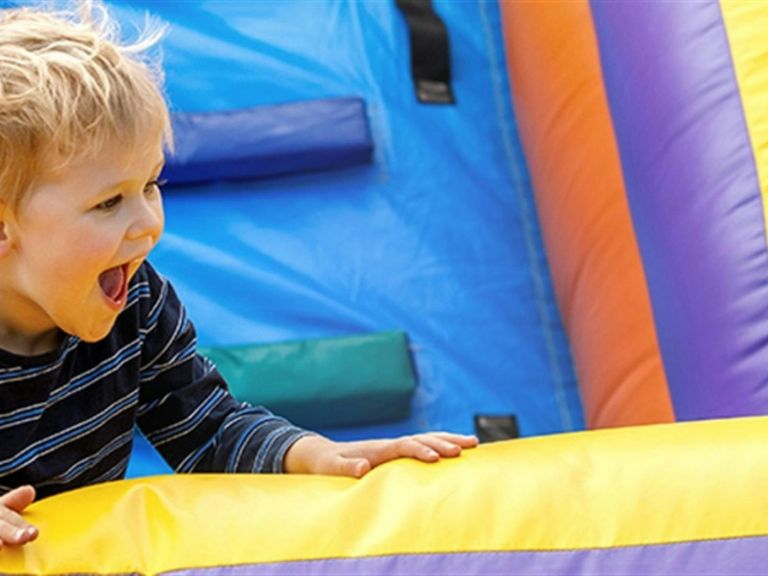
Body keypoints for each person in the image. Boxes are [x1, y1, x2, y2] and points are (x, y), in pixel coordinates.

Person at [0, 1, 478, 549]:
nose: (148, 225)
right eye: (109, 202)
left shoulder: (136, 305)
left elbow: (206, 429)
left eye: (150, 185)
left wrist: (311, 453)